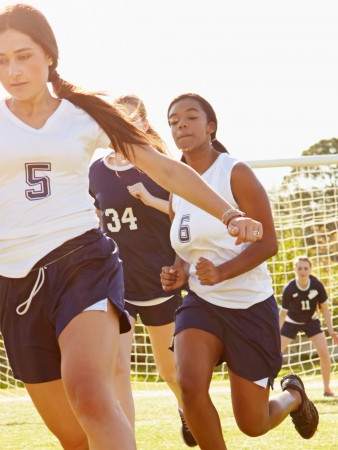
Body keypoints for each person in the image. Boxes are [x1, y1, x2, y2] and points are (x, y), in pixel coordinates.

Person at [0, 5, 264, 449]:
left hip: (82, 263)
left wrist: (230, 214)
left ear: (49, 56)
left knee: (90, 396)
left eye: (24, 55)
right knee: (74, 436)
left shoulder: (84, 114)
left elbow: (166, 170)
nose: (13, 70)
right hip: (14, 282)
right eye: (0, 60)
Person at [162, 93, 319, 449]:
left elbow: (268, 243)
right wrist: (178, 272)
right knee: (188, 384)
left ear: (210, 127)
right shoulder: (176, 188)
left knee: (253, 423)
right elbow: (184, 251)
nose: (181, 125)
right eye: (173, 121)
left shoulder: (235, 172)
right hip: (202, 304)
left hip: (249, 307)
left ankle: (293, 394)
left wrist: (223, 272)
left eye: (190, 118)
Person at [88, 94, 194, 445]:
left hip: (158, 279)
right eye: (116, 119)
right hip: (115, 280)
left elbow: (186, 213)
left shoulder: (159, 165)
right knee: (117, 367)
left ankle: (186, 409)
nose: (123, 126)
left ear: (144, 124)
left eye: (131, 119)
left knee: (170, 372)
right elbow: (96, 216)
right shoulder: (97, 171)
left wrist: (151, 201)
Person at [278, 257, 338, 397]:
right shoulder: (289, 288)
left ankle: (327, 389)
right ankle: (265, 385)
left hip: (311, 321)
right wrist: (275, 333)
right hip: (291, 322)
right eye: (299, 268)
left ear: (310, 270)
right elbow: (283, 314)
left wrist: (331, 331)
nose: (302, 271)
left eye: (306, 268)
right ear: (294, 270)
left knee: (324, 353)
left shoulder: (317, 286)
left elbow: (325, 309)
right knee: (274, 354)